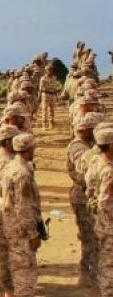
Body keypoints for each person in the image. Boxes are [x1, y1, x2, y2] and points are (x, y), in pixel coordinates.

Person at [2, 133, 42, 297]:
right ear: (29, 149)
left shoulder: (11, 166)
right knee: (25, 273)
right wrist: (32, 234)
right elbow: (23, 207)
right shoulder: (22, 174)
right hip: (22, 230)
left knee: (18, 268)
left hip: (12, 226)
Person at [68, 113, 104, 287]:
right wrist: (100, 147)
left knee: (95, 237)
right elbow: (84, 167)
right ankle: (86, 272)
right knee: (89, 237)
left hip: (90, 197)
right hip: (82, 197)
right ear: (86, 130)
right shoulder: (77, 146)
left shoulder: (89, 144)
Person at [0, 124, 20, 296]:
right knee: (9, 250)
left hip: (1, 205)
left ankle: (9, 286)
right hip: (8, 208)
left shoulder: (0, 158)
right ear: (7, 141)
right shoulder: (6, 162)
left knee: (5, 249)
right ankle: (10, 287)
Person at [94, 127, 113, 297]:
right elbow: (105, 201)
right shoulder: (109, 171)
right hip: (109, 224)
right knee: (109, 263)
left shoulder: (96, 161)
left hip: (102, 222)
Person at [38, 64, 58, 130]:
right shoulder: (43, 78)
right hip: (45, 95)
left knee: (51, 110)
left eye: (51, 69)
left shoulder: (54, 78)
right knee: (44, 110)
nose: (50, 71)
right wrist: (39, 97)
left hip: (52, 95)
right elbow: (40, 89)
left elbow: (55, 88)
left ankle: (51, 123)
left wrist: (56, 96)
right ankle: (44, 124)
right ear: (46, 70)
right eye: (49, 69)